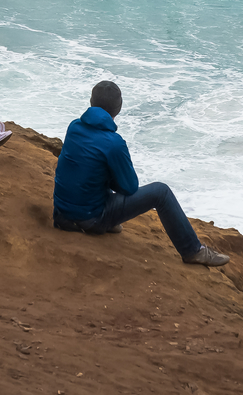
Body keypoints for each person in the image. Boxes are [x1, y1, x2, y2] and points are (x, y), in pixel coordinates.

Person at [51, 81, 229, 267]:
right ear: (118, 108)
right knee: (161, 192)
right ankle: (193, 251)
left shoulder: (74, 127)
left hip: (62, 214)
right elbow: (129, 187)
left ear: (91, 102)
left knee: (92, 169)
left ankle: (89, 219)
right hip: (91, 218)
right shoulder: (114, 143)